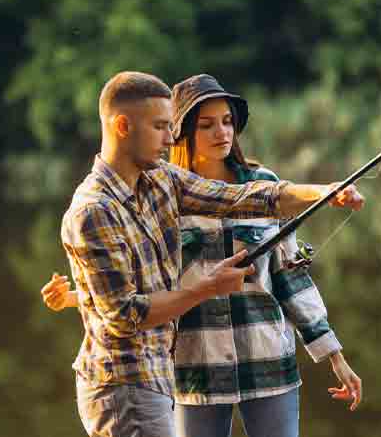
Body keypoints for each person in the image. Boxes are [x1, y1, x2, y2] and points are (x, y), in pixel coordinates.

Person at [40, 71, 364, 437]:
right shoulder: (95, 210)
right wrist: (208, 288)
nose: (169, 137)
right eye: (162, 126)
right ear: (123, 126)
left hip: (170, 375)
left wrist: (324, 192)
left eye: (227, 122)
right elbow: (124, 313)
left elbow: (247, 198)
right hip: (140, 381)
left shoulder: (158, 182)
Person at [168, 74, 362, 437]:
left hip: (270, 361)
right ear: (182, 134)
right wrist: (76, 299)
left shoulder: (264, 183)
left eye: (227, 122)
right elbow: (148, 283)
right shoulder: (165, 198)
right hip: (197, 368)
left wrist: (335, 355)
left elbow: (291, 276)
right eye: (207, 125)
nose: (222, 132)